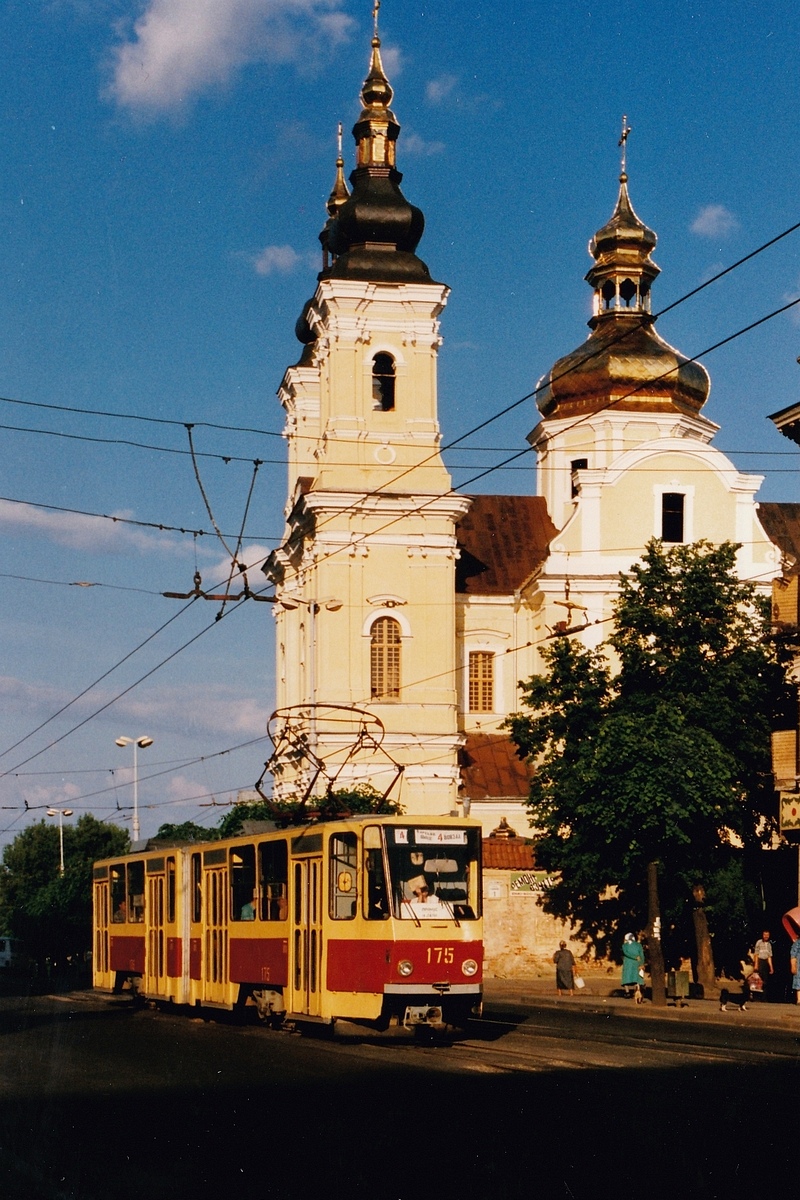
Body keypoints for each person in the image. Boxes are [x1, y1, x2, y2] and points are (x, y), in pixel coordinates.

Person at [621, 932, 645, 1002]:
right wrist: (641, 963)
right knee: (636, 977)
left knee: (626, 977)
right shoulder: (638, 945)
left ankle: (627, 992)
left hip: (628, 963)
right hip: (636, 963)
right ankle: (637, 990)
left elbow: (626, 953)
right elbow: (642, 955)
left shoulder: (624, 946)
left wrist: (634, 957)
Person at [752, 930, 774, 1000]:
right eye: (765, 935)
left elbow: (769, 956)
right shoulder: (759, 942)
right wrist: (756, 965)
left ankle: (763, 997)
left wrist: (771, 967)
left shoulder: (769, 945)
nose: (766, 936)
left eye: (767, 935)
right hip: (759, 961)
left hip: (765, 962)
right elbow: (756, 954)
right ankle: (756, 996)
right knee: (758, 980)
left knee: (765, 980)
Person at [791, 937, 800, 1005]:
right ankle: (799, 999)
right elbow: (793, 955)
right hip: (799, 965)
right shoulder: (797, 943)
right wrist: (793, 965)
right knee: (798, 982)